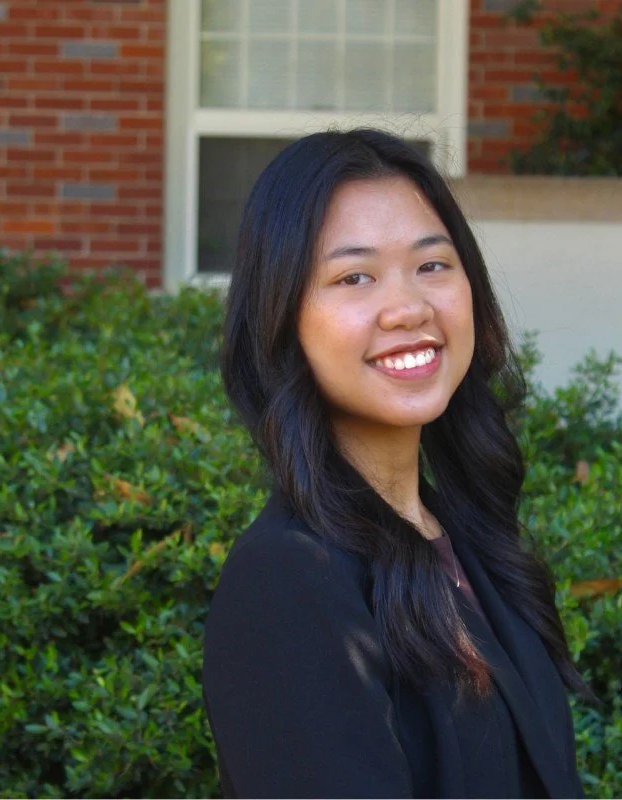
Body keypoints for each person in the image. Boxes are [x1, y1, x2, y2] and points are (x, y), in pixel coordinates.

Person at [204, 128, 595, 798]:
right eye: (354, 276)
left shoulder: (466, 542)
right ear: (282, 317)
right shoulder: (290, 578)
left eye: (433, 265)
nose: (409, 308)